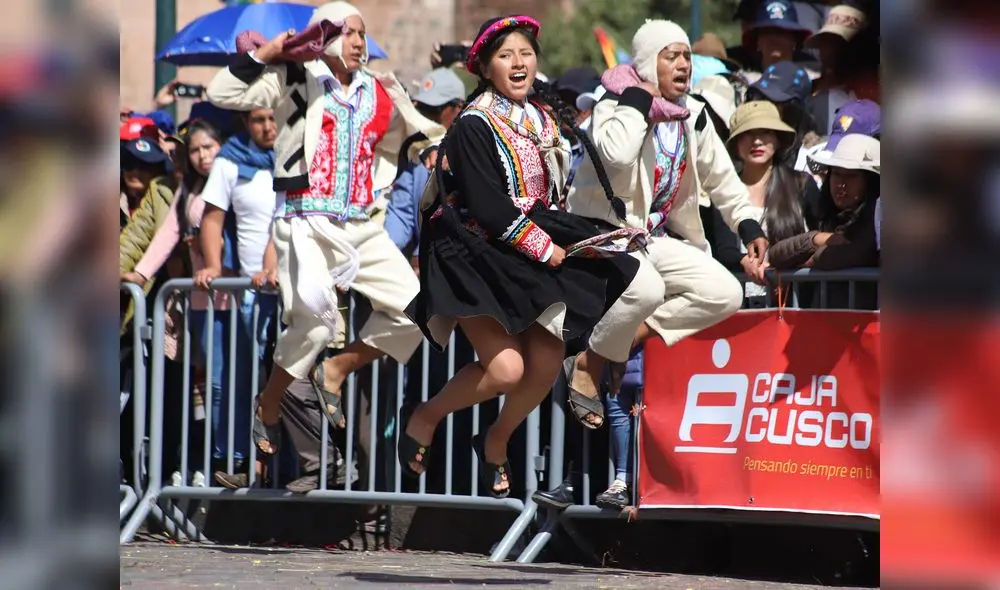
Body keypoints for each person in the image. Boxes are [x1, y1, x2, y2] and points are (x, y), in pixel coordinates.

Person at [399, 15, 640, 498]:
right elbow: (488, 208)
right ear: (485, 68)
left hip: (522, 247)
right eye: (505, 55)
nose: (518, 62)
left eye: (525, 53)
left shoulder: (543, 118)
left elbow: (557, 192)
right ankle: (424, 416)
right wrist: (544, 247)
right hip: (472, 251)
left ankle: (495, 440)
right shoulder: (474, 123)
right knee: (507, 369)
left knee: (546, 361)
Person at [206, 1, 445, 456]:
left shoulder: (379, 90)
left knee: (422, 313)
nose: (359, 42)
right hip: (303, 221)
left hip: (359, 223)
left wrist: (434, 151)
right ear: (325, 36)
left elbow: (417, 132)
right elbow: (222, 94)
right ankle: (269, 404)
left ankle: (335, 372)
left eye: (362, 33)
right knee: (315, 323)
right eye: (349, 32)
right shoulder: (295, 78)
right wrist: (264, 57)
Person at [562, 19, 768, 430]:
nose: (683, 65)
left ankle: (606, 350)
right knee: (649, 287)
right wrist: (639, 99)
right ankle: (592, 362)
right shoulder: (613, 102)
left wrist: (749, 226)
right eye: (670, 56)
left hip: (648, 239)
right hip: (600, 233)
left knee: (725, 292)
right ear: (645, 63)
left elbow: (722, 180)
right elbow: (616, 156)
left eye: (687, 56)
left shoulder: (694, 115)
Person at [768, 134, 880, 308]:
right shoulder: (825, 217)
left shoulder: (879, 221)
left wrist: (812, 259)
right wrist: (816, 239)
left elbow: (857, 252)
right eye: (836, 174)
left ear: (871, 182)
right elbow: (776, 255)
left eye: (851, 176)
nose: (841, 183)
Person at [726, 100, 806, 304]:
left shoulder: (802, 184)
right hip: (737, 309)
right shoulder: (722, 191)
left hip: (793, 305)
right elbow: (721, 249)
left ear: (778, 140)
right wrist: (744, 262)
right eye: (748, 133)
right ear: (736, 143)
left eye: (766, 132)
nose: (757, 141)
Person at [384, 67, 467, 259]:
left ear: (458, 107)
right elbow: (401, 215)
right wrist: (383, 255)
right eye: (423, 109)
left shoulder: (469, 150)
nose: (427, 117)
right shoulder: (416, 156)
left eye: (435, 110)